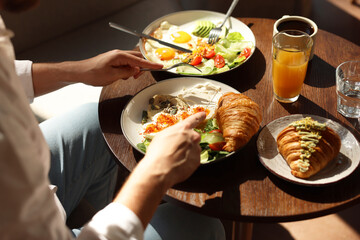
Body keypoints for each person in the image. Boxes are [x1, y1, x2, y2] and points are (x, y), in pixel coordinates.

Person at [0, 0, 226, 239]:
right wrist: (155, 172)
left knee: (99, 119)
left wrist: (78, 70)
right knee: (204, 228)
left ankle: (98, 214)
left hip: (33, 189)